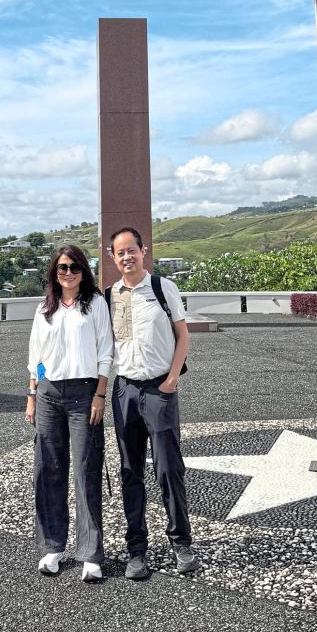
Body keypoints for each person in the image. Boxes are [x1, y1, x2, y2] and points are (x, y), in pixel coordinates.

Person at [107, 226, 199, 579]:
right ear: (113, 258)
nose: (127, 257)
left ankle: (181, 542)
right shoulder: (109, 296)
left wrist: (173, 378)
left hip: (159, 389)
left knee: (168, 468)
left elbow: (183, 335)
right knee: (130, 471)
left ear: (143, 251)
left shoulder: (162, 288)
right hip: (125, 391)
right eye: (120, 252)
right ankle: (136, 549)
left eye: (132, 250)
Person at [25, 244, 113, 583]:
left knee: (86, 471)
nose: (69, 273)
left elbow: (105, 352)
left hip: (84, 394)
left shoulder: (95, 304)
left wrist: (100, 394)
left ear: (83, 271)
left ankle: (90, 554)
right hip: (48, 394)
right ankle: (53, 547)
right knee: (48, 469)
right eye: (63, 267)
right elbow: (36, 356)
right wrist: (32, 395)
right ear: (54, 272)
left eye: (75, 267)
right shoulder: (44, 308)